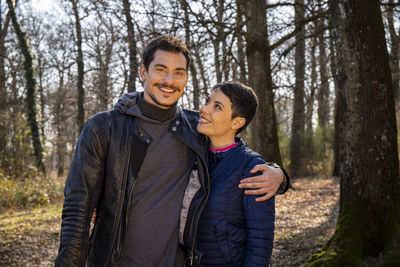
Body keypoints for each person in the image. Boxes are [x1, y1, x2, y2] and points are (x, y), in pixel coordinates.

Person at [55, 35, 289, 267]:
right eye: (160, 69)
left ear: (186, 78)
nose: (169, 80)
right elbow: (77, 209)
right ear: (143, 72)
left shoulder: (195, 129)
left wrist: (279, 176)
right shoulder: (104, 128)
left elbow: (233, 153)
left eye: (179, 72)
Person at [181, 81, 276, 266]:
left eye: (217, 107)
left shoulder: (252, 167)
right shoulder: (192, 155)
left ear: (237, 122)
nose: (204, 109)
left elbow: (260, 242)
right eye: (207, 101)